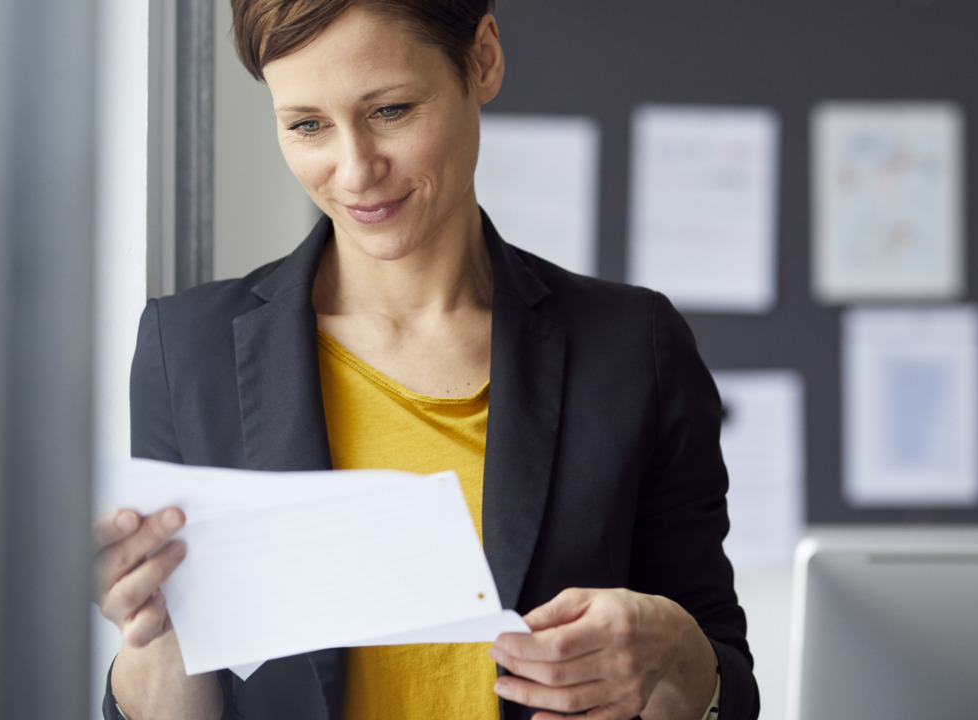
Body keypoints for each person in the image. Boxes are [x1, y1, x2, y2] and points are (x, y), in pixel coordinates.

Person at [93, 1, 759, 718]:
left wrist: (675, 656)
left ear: (483, 60)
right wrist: (152, 631)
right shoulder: (186, 352)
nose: (355, 172)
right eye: (307, 124)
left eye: (391, 111)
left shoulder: (634, 349)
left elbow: (724, 684)